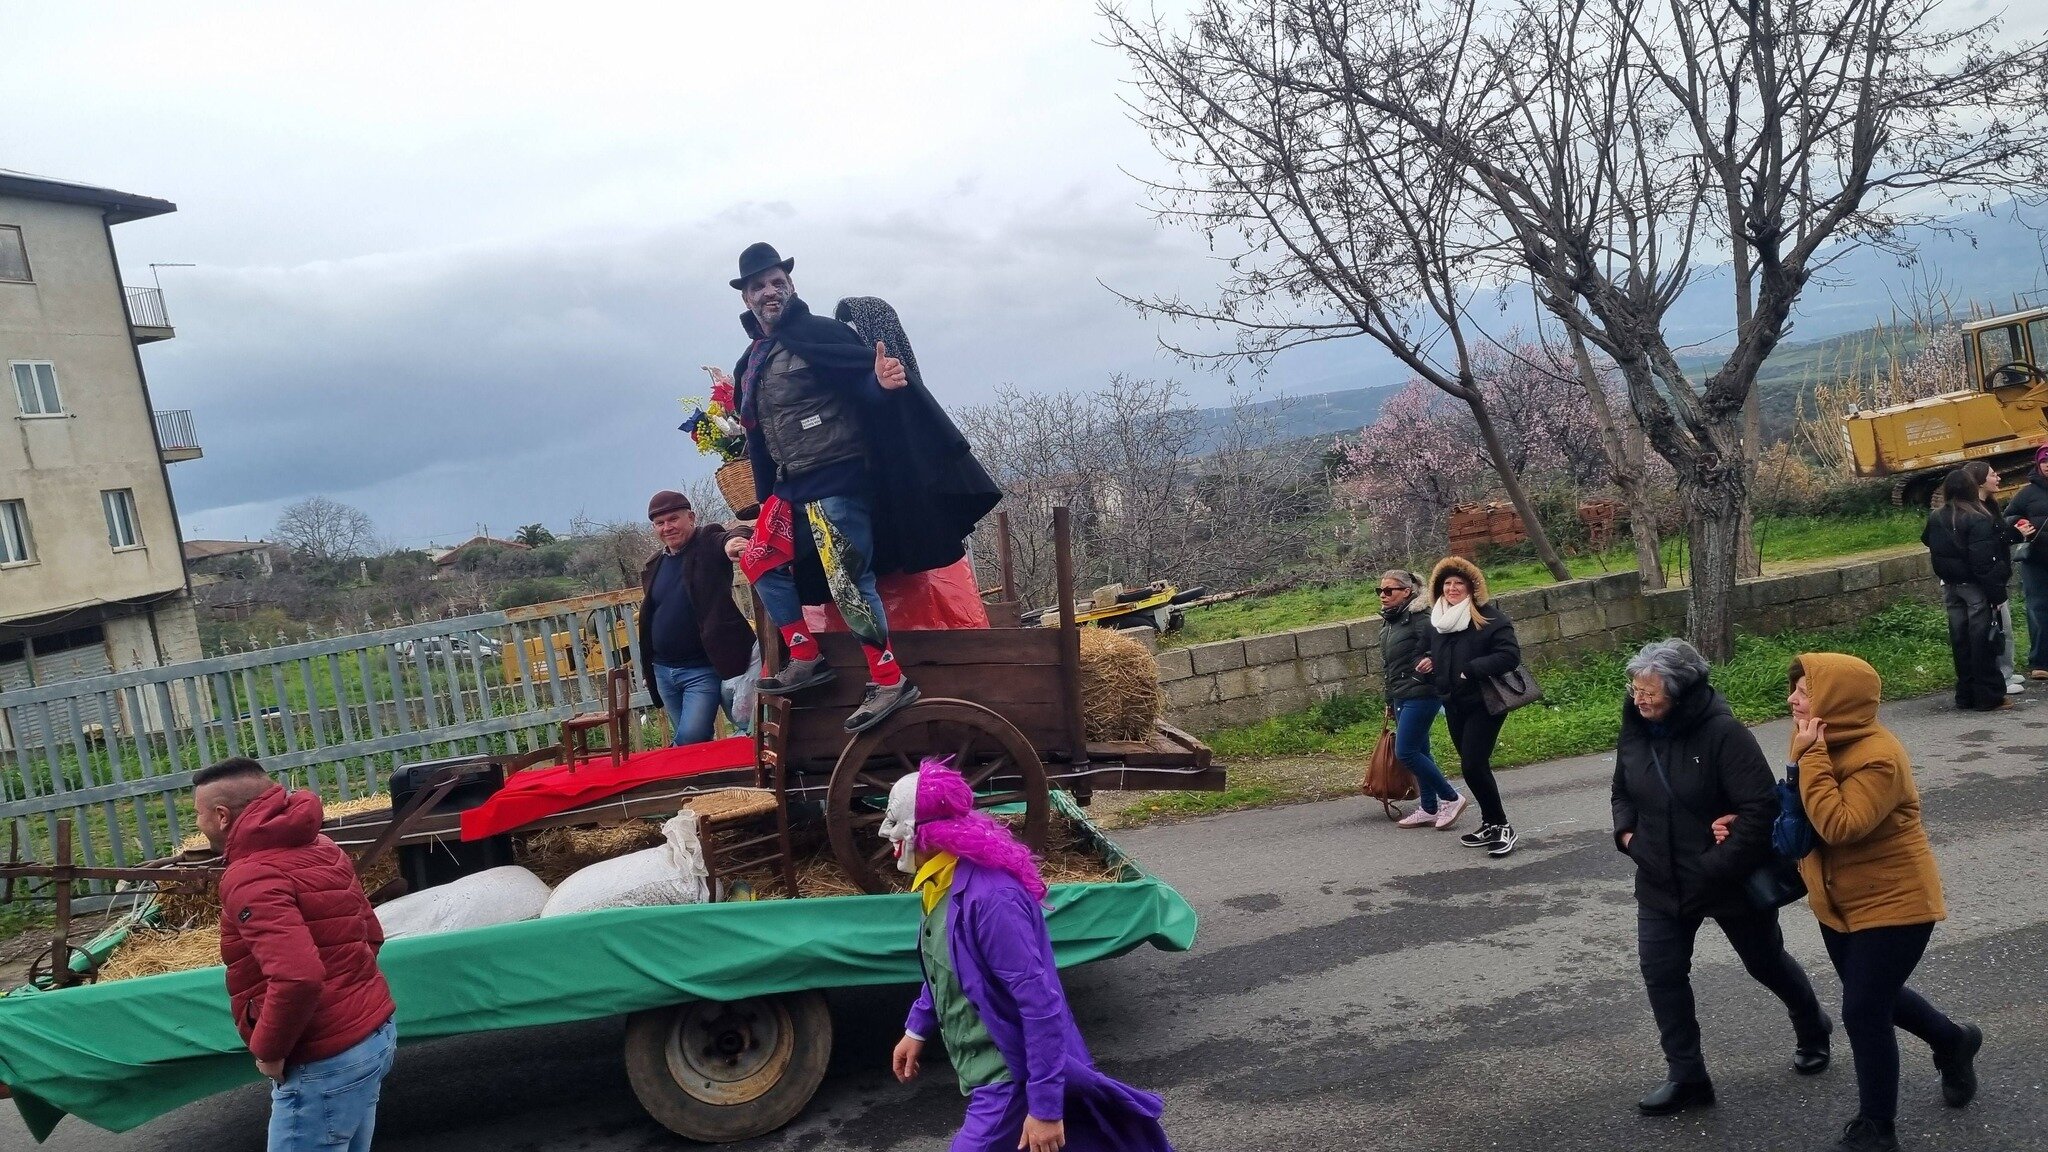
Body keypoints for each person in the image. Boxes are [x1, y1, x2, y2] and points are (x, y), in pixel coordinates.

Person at [725, 244, 1000, 734]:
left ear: (790, 285)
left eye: (776, 281)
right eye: (758, 286)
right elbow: (760, 437)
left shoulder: (823, 335)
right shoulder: (752, 362)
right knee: (761, 559)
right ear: (746, 298)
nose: (770, 291)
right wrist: (766, 499)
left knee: (848, 578)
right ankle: (806, 657)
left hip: (840, 479)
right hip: (791, 490)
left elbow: (865, 388)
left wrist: (880, 381)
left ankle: (890, 680)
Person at [883, 761, 1176, 1152]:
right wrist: (916, 1028)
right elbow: (947, 963)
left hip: (1011, 1074)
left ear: (928, 832)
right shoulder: (940, 881)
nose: (886, 833)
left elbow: (1040, 1006)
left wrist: (1045, 1110)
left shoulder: (992, 900)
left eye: (893, 820)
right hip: (997, 1071)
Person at [1611, 639, 1831, 1117]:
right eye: (1635, 689)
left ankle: (1813, 1025)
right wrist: (1628, 836)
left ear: (1681, 690)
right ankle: (1687, 1076)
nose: (1640, 699)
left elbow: (1759, 810)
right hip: (1659, 880)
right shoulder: (1638, 728)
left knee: (1765, 962)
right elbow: (1622, 790)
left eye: (1650, 691)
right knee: (1662, 973)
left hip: (1725, 877)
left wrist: (1714, 864)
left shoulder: (1723, 734)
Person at [1786, 654, 1983, 1152]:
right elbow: (1801, 811)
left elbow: (1839, 824)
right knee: (1875, 994)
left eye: (1804, 691)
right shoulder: (1817, 738)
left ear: (1837, 700)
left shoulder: (1879, 755)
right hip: (1837, 901)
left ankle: (1877, 1127)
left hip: (1895, 903)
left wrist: (1805, 759)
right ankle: (1952, 1041)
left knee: (1863, 1008)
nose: (1792, 699)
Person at [194, 757, 397, 1152]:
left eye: (197, 815)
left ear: (221, 816)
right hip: (373, 1035)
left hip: (325, 1060)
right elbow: (370, 934)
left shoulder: (251, 874)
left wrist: (269, 1050)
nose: (197, 825)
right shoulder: (320, 846)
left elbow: (298, 976)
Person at [638, 490, 757, 745]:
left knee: (692, 737)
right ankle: (704, 781)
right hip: (663, 670)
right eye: (660, 523)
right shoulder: (654, 564)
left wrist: (734, 543)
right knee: (689, 741)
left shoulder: (706, 542)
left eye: (673, 519)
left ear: (690, 517)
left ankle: (673, 774)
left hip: (700, 670)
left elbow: (733, 535)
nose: (667, 527)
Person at [1419, 556, 1520, 856]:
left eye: (1458, 584)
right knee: (1474, 768)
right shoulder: (1437, 622)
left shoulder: (1490, 619)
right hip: (1453, 702)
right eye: (1446, 584)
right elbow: (1422, 651)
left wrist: (1471, 669)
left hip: (1485, 702)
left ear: (1472, 588)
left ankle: (1502, 826)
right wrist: (1424, 663)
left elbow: (1510, 656)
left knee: (1473, 765)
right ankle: (1490, 823)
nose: (1452, 588)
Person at [1377, 569, 1466, 828]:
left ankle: (1451, 797)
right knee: (1421, 750)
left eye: (1389, 590)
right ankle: (1429, 807)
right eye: (1380, 591)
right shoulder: (1391, 620)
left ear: (1407, 591)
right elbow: (1389, 665)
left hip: (1423, 692)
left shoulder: (1422, 617)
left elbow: (1447, 647)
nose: (1383, 595)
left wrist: (1431, 659)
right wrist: (1388, 700)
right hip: (1401, 694)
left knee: (1406, 752)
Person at [1921, 468, 2010, 711]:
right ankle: (1988, 696)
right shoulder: (1978, 518)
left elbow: (1926, 539)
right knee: (1982, 642)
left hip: (1951, 586)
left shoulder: (1937, 516)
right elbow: (1983, 562)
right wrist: (1997, 594)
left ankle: (1965, 694)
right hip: (1974, 586)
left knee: (1961, 640)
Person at [1961, 461, 2025, 695]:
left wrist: (2015, 534)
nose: (1998, 477)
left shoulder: (1989, 505)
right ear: (1978, 480)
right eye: (1992, 474)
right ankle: (2000, 678)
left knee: (2004, 627)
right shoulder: (1973, 511)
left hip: (1996, 575)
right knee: (1995, 628)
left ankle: (2006, 670)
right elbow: (1982, 550)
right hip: (1986, 579)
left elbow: (1997, 538)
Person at [2000, 445, 2048, 681]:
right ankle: (2040, 661)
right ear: (2037, 465)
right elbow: (2007, 515)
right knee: (2038, 609)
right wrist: (2019, 522)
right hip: (2037, 559)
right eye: (2044, 462)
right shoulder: (2027, 493)